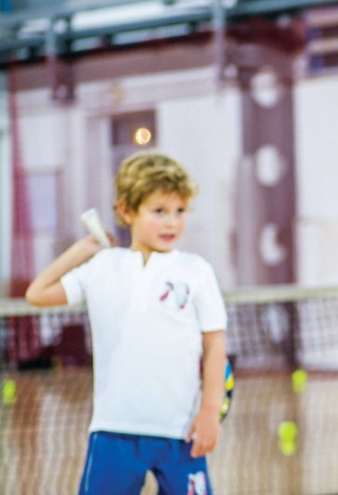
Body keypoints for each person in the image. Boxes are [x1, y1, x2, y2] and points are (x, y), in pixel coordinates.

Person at [25, 151, 228, 495]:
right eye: (159, 211)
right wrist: (82, 250)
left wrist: (210, 412)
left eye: (179, 211)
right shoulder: (102, 267)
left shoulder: (196, 270)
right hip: (113, 430)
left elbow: (214, 345)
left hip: (181, 432)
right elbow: (37, 293)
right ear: (126, 211)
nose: (171, 223)